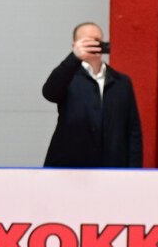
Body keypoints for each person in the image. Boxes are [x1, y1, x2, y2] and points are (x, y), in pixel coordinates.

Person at [42, 22, 143, 168]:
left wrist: (134, 171)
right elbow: (49, 93)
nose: (94, 44)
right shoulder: (67, 77)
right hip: (70, 166)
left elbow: (133, 131)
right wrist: (74, 58)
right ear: (75, 45)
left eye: (98, 40)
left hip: (112, 166)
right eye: (88, 41)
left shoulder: (121, 82)